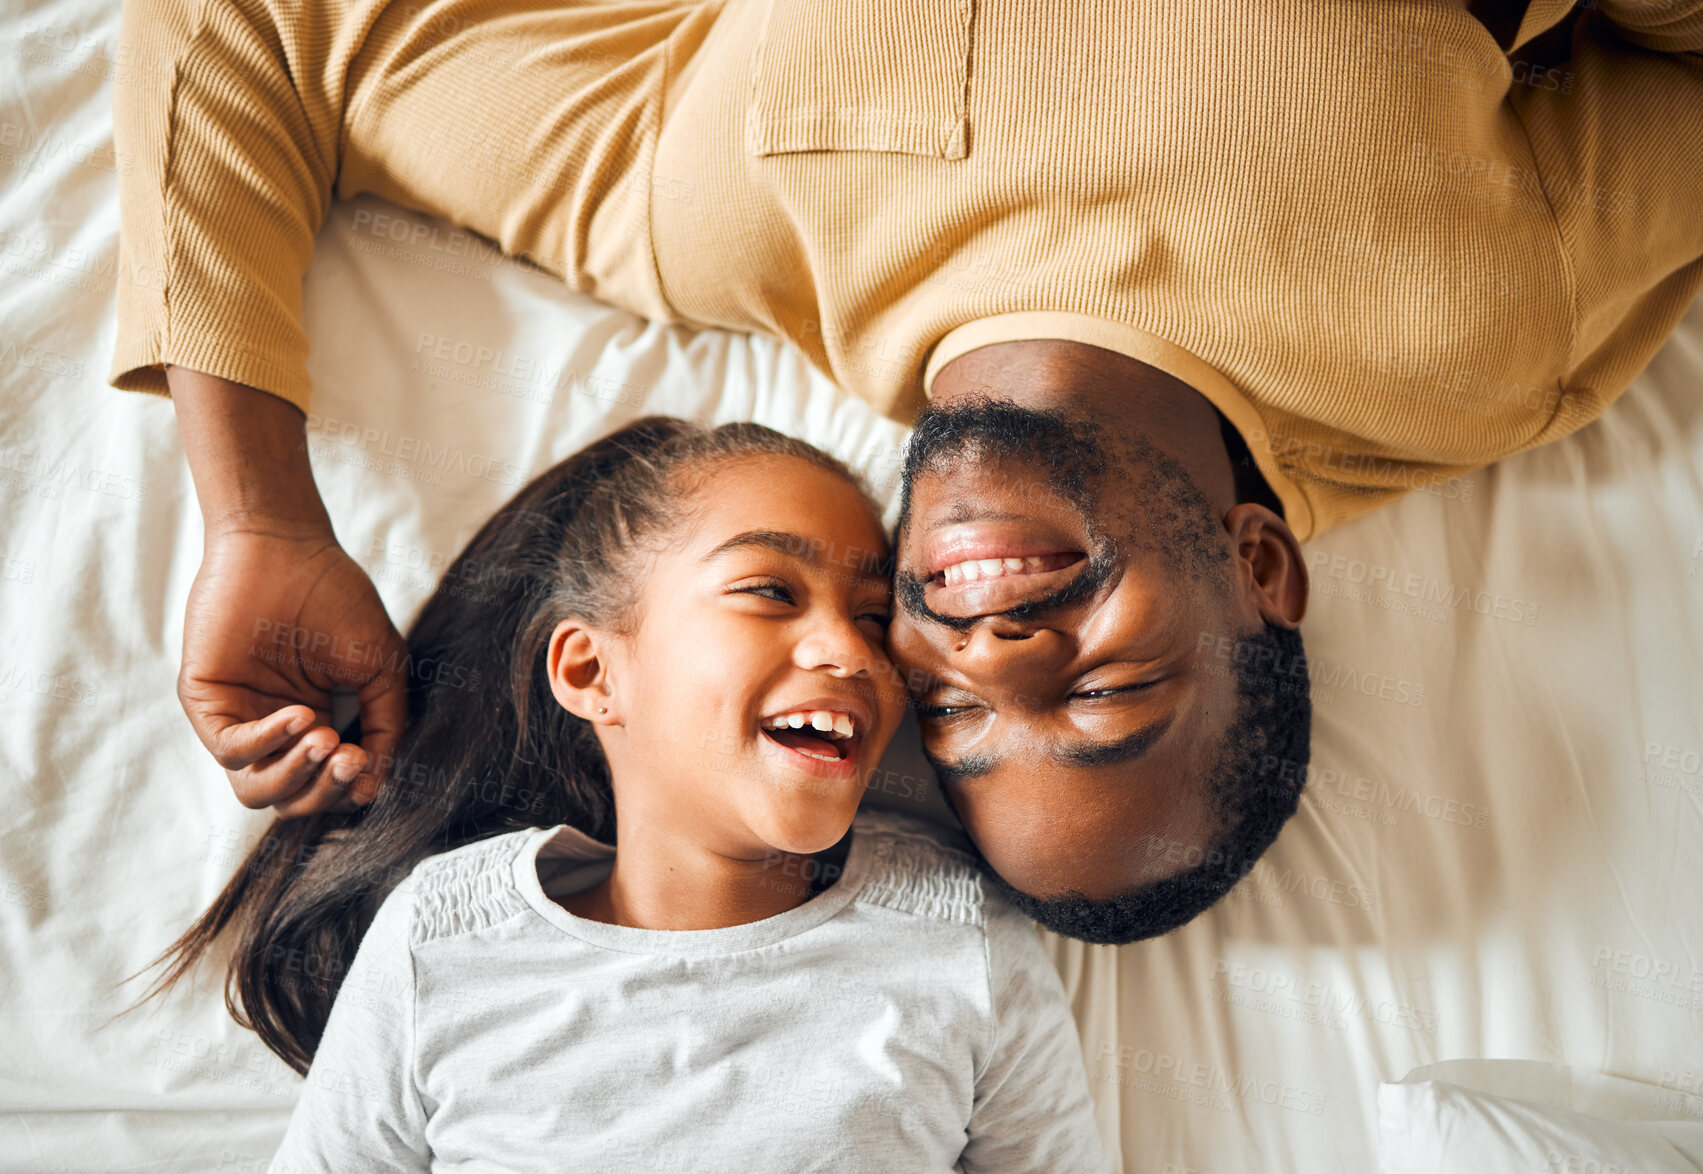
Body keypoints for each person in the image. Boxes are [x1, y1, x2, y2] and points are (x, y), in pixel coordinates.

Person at [110, 0, 1703, 941]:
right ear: (1257, 566)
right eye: (1103, 696)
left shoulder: (698, 209)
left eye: (951, 713)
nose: (996, 656)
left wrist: (255, 512)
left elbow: (251, 21)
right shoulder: (1477, 340)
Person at [130, 418, 1110, 1171]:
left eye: (869, 616)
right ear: (592, 672)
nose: (849, 651)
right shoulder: (441, 938)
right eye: (769, 591)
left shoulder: (955, 939)